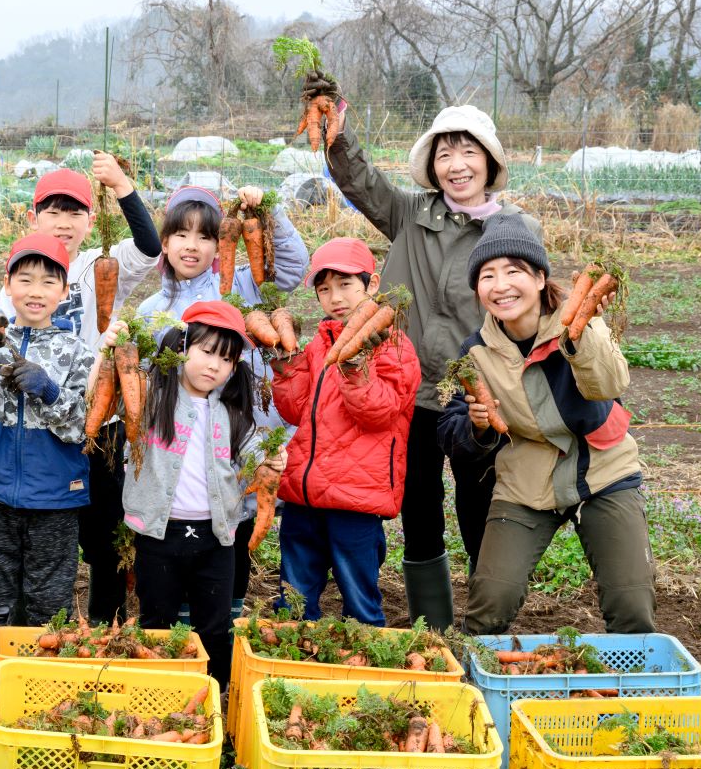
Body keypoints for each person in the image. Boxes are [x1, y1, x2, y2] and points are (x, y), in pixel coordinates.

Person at [307, 73, 542, 629]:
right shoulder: (411, 213)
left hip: (477, 392)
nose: (456, 164)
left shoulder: (514, 228)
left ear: (488, 161)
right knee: (418, 509)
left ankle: (488, 621)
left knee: (479, 509)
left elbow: (534, 306)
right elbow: (361, 182)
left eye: (467, 152)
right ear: (432, 165)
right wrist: (335, 134)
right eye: (444, 153)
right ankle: (432, 627)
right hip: (407, 390)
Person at [438, 214, 653, 634]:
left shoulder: (584, 323)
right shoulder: (475, 354)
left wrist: (579, 337)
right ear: (478, 289)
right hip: (526, 480)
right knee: (489, 604)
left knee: (631, 604)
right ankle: (481, 691)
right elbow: (451, 424)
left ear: (539, 278)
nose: (500, 286)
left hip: (604, 468)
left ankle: (629, 694)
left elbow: (610, 384)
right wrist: (477, 426)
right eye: (487, 276)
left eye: (513, 271)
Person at [0, 157, 161, 624]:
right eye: (53, 211)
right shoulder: (16, 279)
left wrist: (123, 186)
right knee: (45, 534)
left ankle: (101, 625)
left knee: (105, 539)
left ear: (90, 222)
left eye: (75, 213)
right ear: (33, 218)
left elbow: (150, 246)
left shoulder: (97, 265)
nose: (63, 222)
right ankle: (39, 626)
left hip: (99, 422)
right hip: (43, 426)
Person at [134, 182, 308, 616]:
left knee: (233, 531)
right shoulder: (151, 310)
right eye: (180, 234)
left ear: (221, 243)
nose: (191, 247)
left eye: (206, 236)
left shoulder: (240, 284)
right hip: (178, 458)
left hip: (238, 445)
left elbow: (292, 268)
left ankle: (223, 617)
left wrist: (268, 210)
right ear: (165, 241)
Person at [0, 233, 97, 694]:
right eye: (25, 279)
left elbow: (84, 427)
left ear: (64, 292)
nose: (35, 291)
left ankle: (43, 690)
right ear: (8, 285)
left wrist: (51, 390)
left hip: (56, 500)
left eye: (48, 281)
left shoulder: (78, 353)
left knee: (48, 601)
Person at [122, 301, 280, 692]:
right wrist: (115, 351)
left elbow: (253, 461)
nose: (214, 365)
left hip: (216, 539)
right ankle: (155, 691)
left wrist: (273, 461)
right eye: (207, 352)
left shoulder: (234, 412)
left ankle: (214, 695)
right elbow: (106, 396)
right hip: (160, 536)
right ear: (181, 346)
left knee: (213, 624)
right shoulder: (152, 397)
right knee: (156, 620)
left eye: (226, 359)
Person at [270, 238, 421, 626]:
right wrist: (287, 363)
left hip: (356, 497)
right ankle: (289, 661)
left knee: (359, 597)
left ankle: (365, 667)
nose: (335, 297)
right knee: (294, 594)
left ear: (371, 285)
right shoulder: (318, 345)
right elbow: (294, 410)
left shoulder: (395, 347)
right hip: (305, 493)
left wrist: (354, 366)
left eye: (345, 285)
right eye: (324, 288)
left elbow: (379, 412)